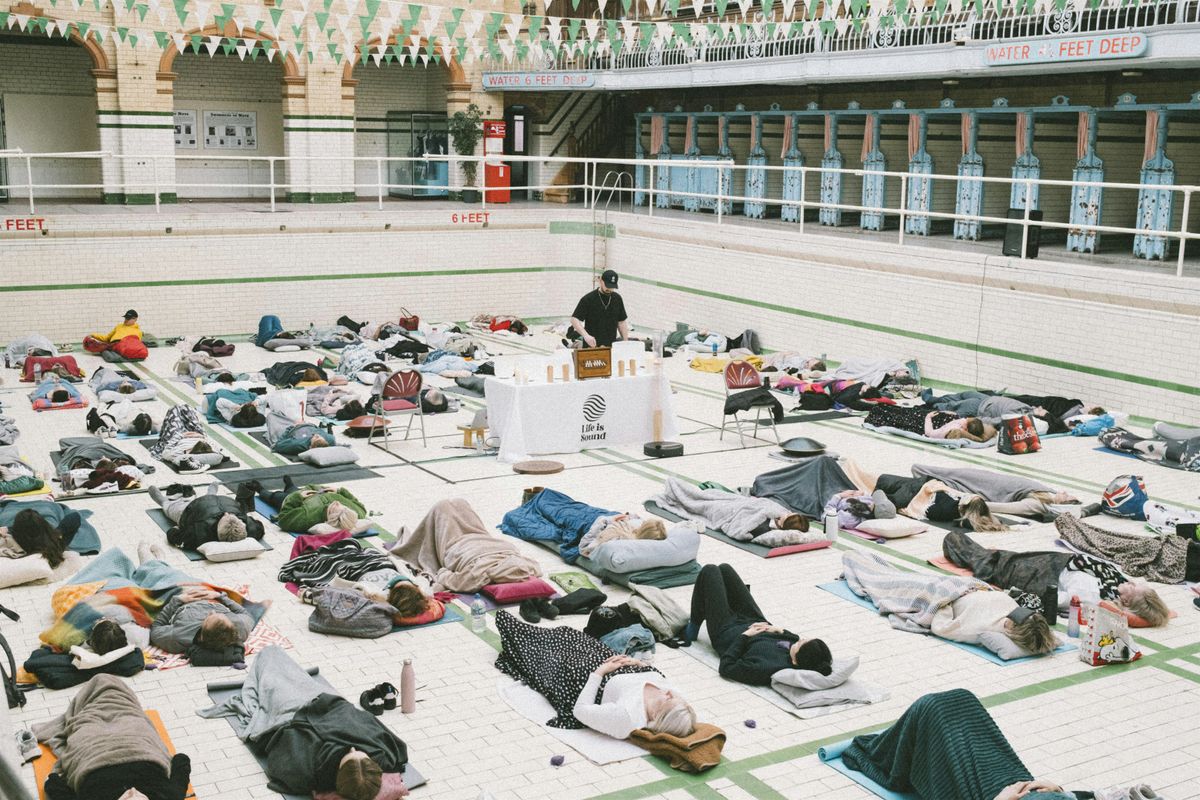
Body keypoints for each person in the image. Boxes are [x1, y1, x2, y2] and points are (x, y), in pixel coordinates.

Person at [198, 645, 406, 800]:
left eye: (350, 755)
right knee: (292, 673)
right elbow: (398, 749)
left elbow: (276, 758)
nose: (352, 748)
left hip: (290, 712)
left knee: (270, 655)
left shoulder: (306, 773)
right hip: (326, 701)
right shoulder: (382, 755)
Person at [494, 610, 698, 738]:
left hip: (582, 675)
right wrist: (638, 663)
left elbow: (581, 711)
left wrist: (599, 673)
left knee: (540, 650)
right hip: (608, 659)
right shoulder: (673, 698)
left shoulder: (627, 718)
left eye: (669, 700)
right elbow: (659, 677)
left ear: (659, 716)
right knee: (566, 633)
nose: (670, 694)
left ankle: (513, 630)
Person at [840, 688, 1072, 800]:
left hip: (985, 793)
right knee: (961, 699)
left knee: (931, 708)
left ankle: (899, 744)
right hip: (1017, 783)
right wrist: (1061, 790)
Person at [842, 551, 1057, 655]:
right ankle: (865, 560)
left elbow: (941, 626)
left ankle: (857, 562)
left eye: (1013, 621)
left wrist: (942, 604)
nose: (1011, 616)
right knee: (905, 574)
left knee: (887, 581)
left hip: (941, 595)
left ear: (1014, 632)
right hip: (961, 585)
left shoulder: (978, 630)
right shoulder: (1015, 611)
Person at [942, 530, 1171, 626]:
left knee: (962, 545)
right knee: (992, 556)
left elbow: (1057, 599)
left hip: (1035, 572)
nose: (1130, 582)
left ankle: (957, 543)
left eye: (1133, 588)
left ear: (1128, 602)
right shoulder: (1115, 581)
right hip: (1050, 562)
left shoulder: (1094, 595)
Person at [32, 674, 192, 800]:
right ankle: (96, 699)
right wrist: (54, 778)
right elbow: (53, 786)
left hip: (133, 745)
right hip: (94, 752)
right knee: (90, 718)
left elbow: (181, 760)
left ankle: (106, 695)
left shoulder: (170, 796)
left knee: (122, 713)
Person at [687, 563, 833, 686]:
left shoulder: (766, 667)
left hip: (727, 631)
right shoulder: (796, 648)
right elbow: (794, 638)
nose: (800, 639)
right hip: (753, 619)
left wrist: (744, 636)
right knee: (725, 569)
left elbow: (726, 668)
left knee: (710, 571)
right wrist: (779, 630)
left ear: (795, 661)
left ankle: (692, 628)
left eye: (801, 644)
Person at [150, 483, 265, 550]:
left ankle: (164, 501)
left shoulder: (200, 533)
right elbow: (260, 527)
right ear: (242, 524)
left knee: (171, 507)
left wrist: (177, 528)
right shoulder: (252, 529)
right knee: (207, 504)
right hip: (210, 505)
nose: (226, 513)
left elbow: (173, 535)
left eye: (226, 516)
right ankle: (208, 494)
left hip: (198, 507)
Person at [864, 405, 995, 443]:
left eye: (968, 421)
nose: (966, 418)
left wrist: (927, 417)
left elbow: (930, 433)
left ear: (966, 428)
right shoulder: (960, 421)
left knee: (886, 412)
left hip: (920, 422)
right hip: (925, 415)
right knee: (899, 410)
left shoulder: (955, 428)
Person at [569, 269, 629, 348]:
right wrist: (586, 336)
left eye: (612, 287)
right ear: (601, 281)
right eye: (607, 286)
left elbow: (621, 322)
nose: (610, 289)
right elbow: (574, 319)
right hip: (591, 346)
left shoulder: (617, 299)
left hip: (611, 346)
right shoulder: (589, 299)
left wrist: (626, 342)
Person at [0, 507, 76, 567]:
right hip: (46, 516)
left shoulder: (17, 542)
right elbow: (75, 517)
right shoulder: (56, 545)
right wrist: (57, 532)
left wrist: (8, 528)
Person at [86, 399, 156, 437]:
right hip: (123, 410)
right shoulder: (128, 418)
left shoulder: (126, 424)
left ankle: (102, 406)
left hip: (122, 412)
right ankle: (102, 406)